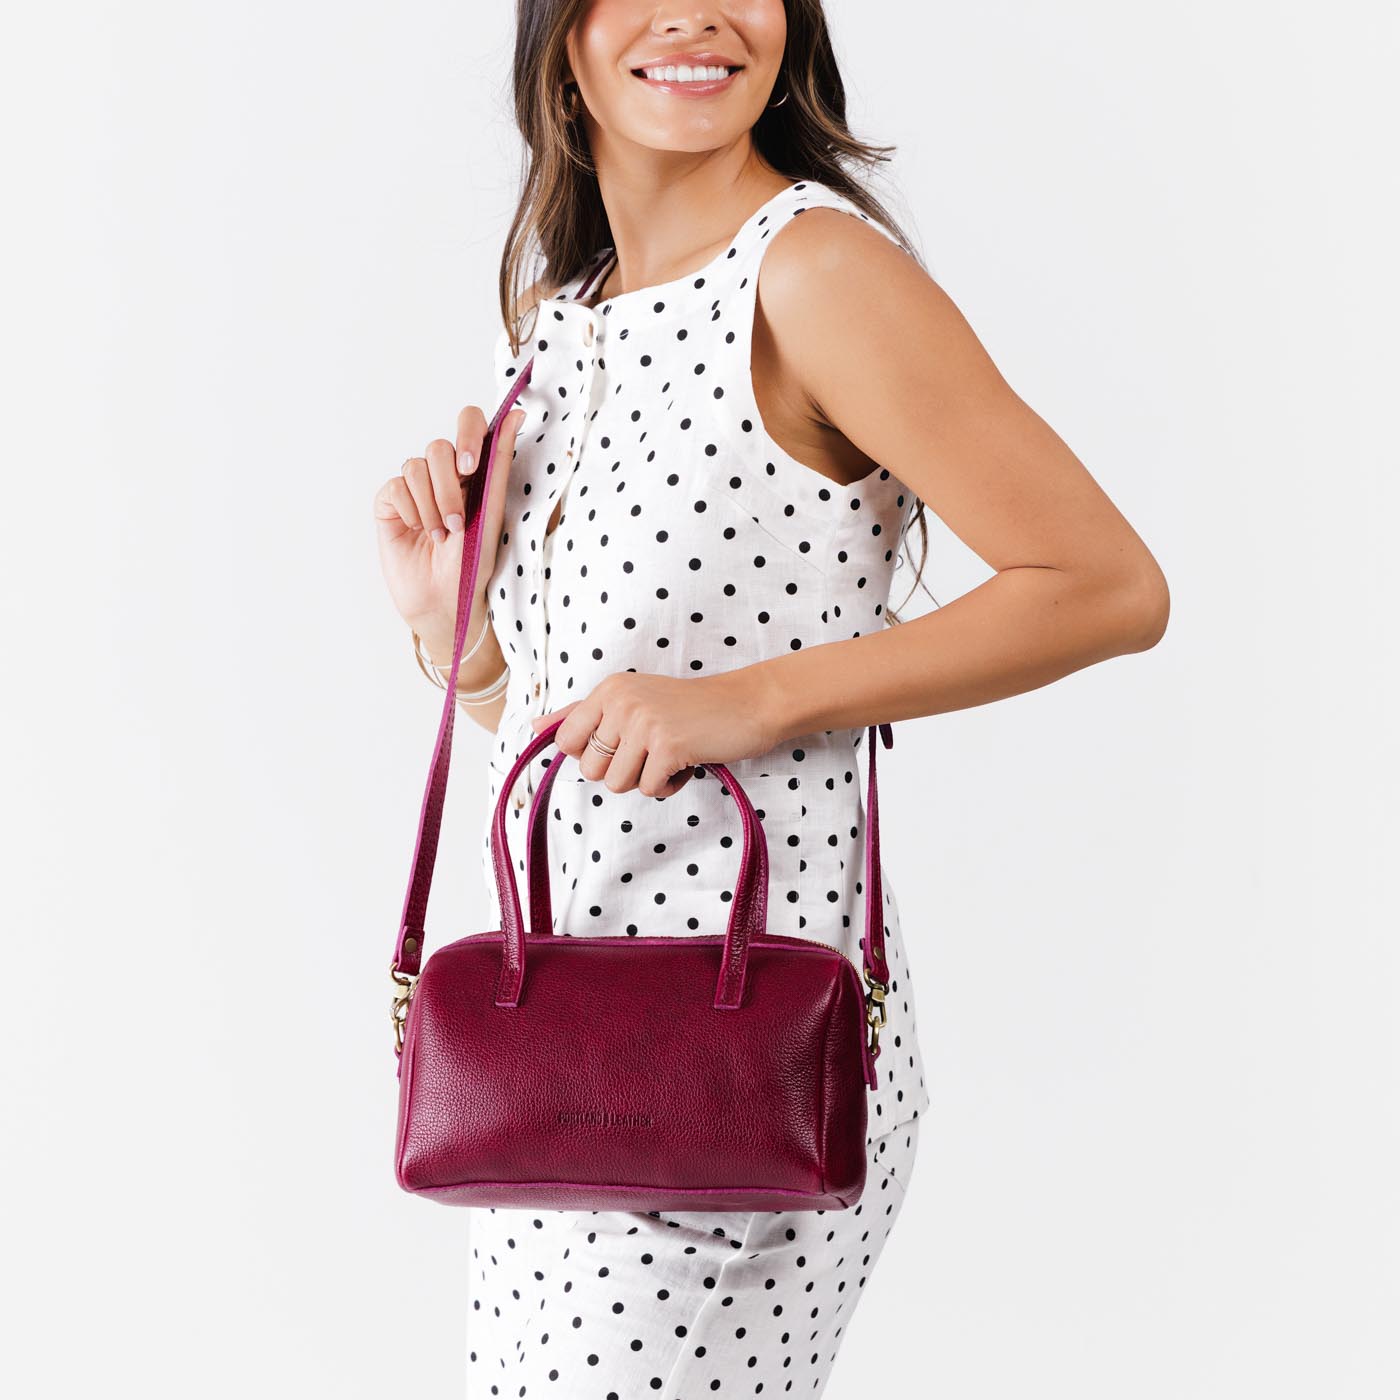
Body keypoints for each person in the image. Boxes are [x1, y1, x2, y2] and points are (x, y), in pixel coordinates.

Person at [373, 1, 1169, 1392]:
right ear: (562, 32)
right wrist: (464, 641)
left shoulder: (809, 274)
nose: (695, 13)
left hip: (733, 1068)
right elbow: (595, 747)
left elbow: (1105, 584)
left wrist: (750, 702)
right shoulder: (554, 330)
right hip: (559, 1073)